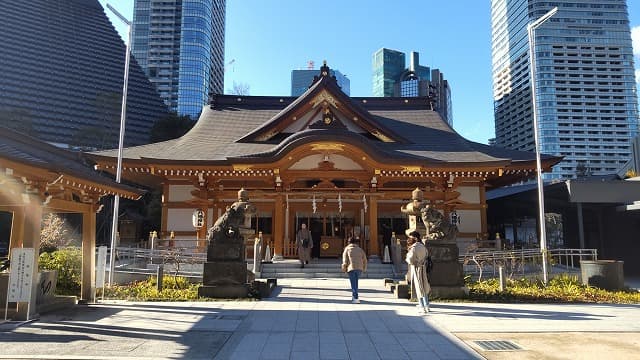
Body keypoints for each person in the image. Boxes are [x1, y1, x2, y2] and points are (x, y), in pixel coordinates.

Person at [406, 231, 430, 314]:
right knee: (424, 286)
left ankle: (422, 306)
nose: (409, 239)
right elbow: (427, 255)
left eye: (410, 237)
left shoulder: (414, 247)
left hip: (416, 268)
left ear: (414, 238)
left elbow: (411, 259)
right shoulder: (423, 246)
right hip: (423, 267)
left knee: (419, 287)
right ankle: (427, 305)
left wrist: (408, 259)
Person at [341, 237, 367, 303]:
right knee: (355, 282)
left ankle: (356, 297)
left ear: (348, 242)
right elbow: (365, 259)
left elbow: (345, 260)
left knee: (353, 283)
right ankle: (354, 296)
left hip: (351, 268)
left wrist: (344, 268)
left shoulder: (347, 249)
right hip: (359, 268)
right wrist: (364, 268)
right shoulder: (360, 249)